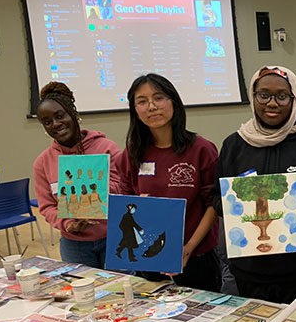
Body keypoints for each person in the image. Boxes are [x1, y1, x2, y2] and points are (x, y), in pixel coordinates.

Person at [211, 66, 296, 304]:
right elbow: (216, 197)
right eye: (263, 95)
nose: (272, 103)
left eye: (281, 96)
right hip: (249, 271)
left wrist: (285, 214)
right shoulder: (234, 145)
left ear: (294, 99)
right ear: (253, 97)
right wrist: (239, 208)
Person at [117, 73, 220, 291]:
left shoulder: (201, 149)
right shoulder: (132, 153)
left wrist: (188, 248)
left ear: (173, 102)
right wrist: (136, 205)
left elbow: (213, 204)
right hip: (148, 254)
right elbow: (124, 202)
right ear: (135, 110)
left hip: (196, 257)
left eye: (159, 98)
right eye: (142, 101)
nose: (152, 106)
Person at [33, 81, 121, 268]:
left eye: (60, 116)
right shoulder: (43, 162)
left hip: (114, 236)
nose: (56, 124)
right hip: (74, 243)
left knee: (122, 292)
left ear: (74, 114)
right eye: (47, 122)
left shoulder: (106, 148)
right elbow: (47, 206)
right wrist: (68, 224)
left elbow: (124, 188)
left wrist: (98, 185)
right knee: (82, 294)